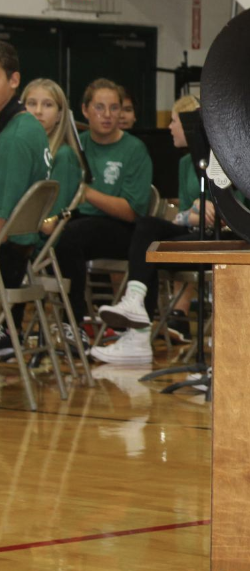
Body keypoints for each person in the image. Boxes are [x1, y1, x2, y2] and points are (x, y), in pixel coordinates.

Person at [89, 95, 206, 364]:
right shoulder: (183, 163)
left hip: (218, 239)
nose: (169, 128)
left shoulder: (217, 161)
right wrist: (194, 214)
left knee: (149, 237)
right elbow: (186, 214)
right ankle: (136, 306)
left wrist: (203, 213)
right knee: (148, 233)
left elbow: (222, 216)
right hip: (192, 231)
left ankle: (138, 326)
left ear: (190, 126)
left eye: (174, 121)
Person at [54, 79, 154, 349]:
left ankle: (73, 323)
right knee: (49, 236)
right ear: (85, 110)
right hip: (77, 223)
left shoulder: (134, 149)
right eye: (100, 107)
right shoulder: (72, 147)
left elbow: (133, 212)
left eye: (114, 108)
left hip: (119, 230)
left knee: (70, 236)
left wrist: (87, 193)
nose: (108, 115)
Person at [0, 43, 52, 358]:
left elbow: (3, 222)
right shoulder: (27, 127)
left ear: (14, 79)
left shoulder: (15, 137)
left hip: (8, 255)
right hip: (22, 252)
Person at [21, 78, 83, 224]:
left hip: (32, 239)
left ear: (59, 115)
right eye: (31, 103)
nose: (38, 111)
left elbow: (52, 222)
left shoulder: (64, 155)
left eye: (47, 105)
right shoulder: (18, 148)